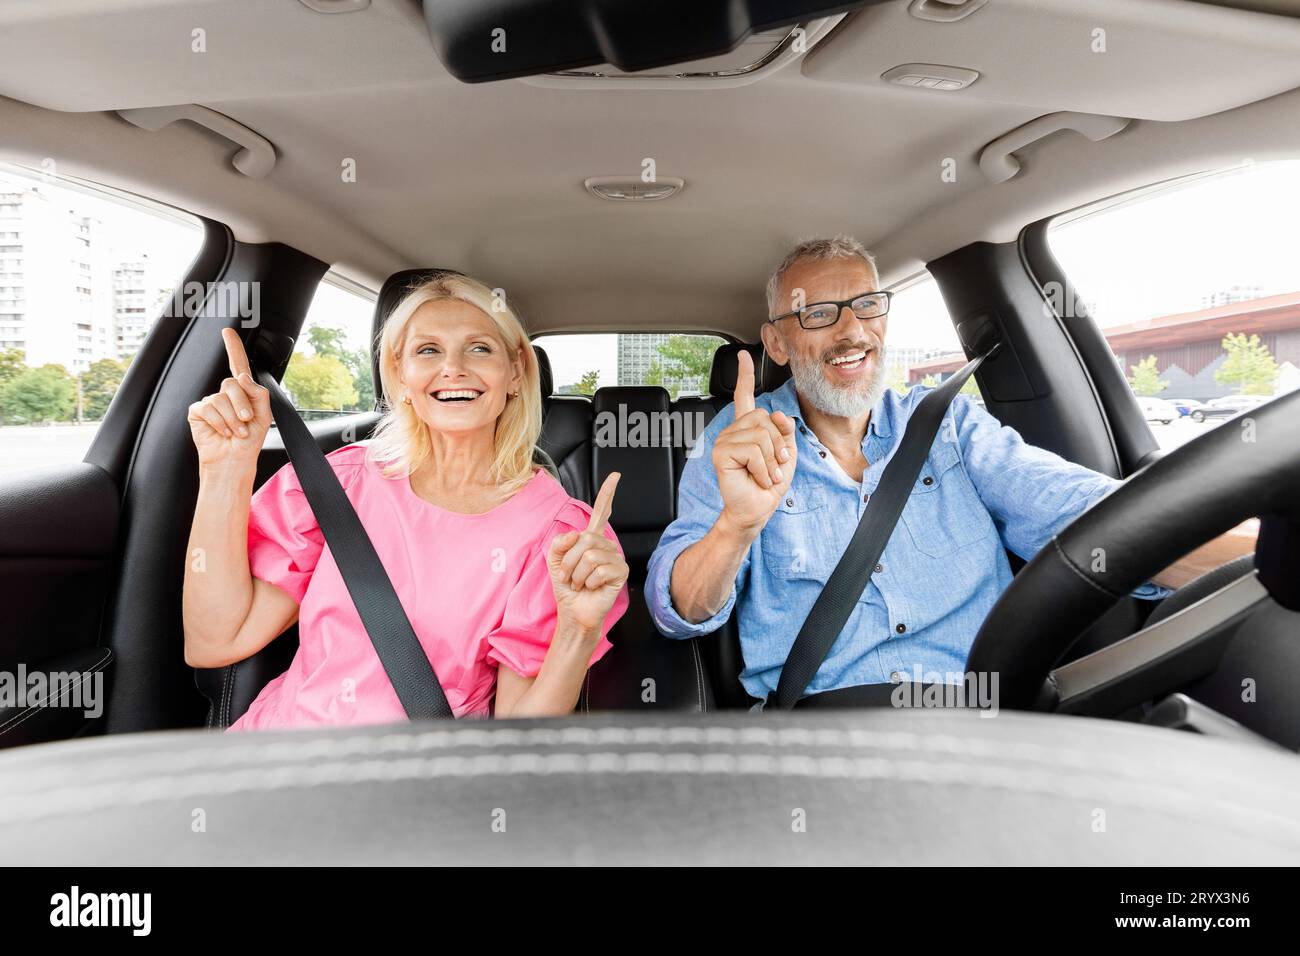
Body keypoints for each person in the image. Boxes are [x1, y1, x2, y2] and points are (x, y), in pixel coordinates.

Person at [645, 235, 1254, 704]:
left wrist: (1271, 549)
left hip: (980, 722)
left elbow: (1099, 520)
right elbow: (682, 609)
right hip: (826, 735)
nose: (852, 330)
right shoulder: (735, 444)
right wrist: (738, 526)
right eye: (818, 314)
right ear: (775, 344)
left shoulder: (951, 428)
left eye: (866, 305)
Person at [183, 272, 629, 728]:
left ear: (515, 372)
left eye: (479, 348)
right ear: (400, 375)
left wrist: (578, 629)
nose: (453, 368)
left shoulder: (558, 534)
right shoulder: (336, 483)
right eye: (428, 350)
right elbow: (216, 641)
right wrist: (225, 470)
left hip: (414, 776)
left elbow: (520, 733)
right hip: (282, 755)